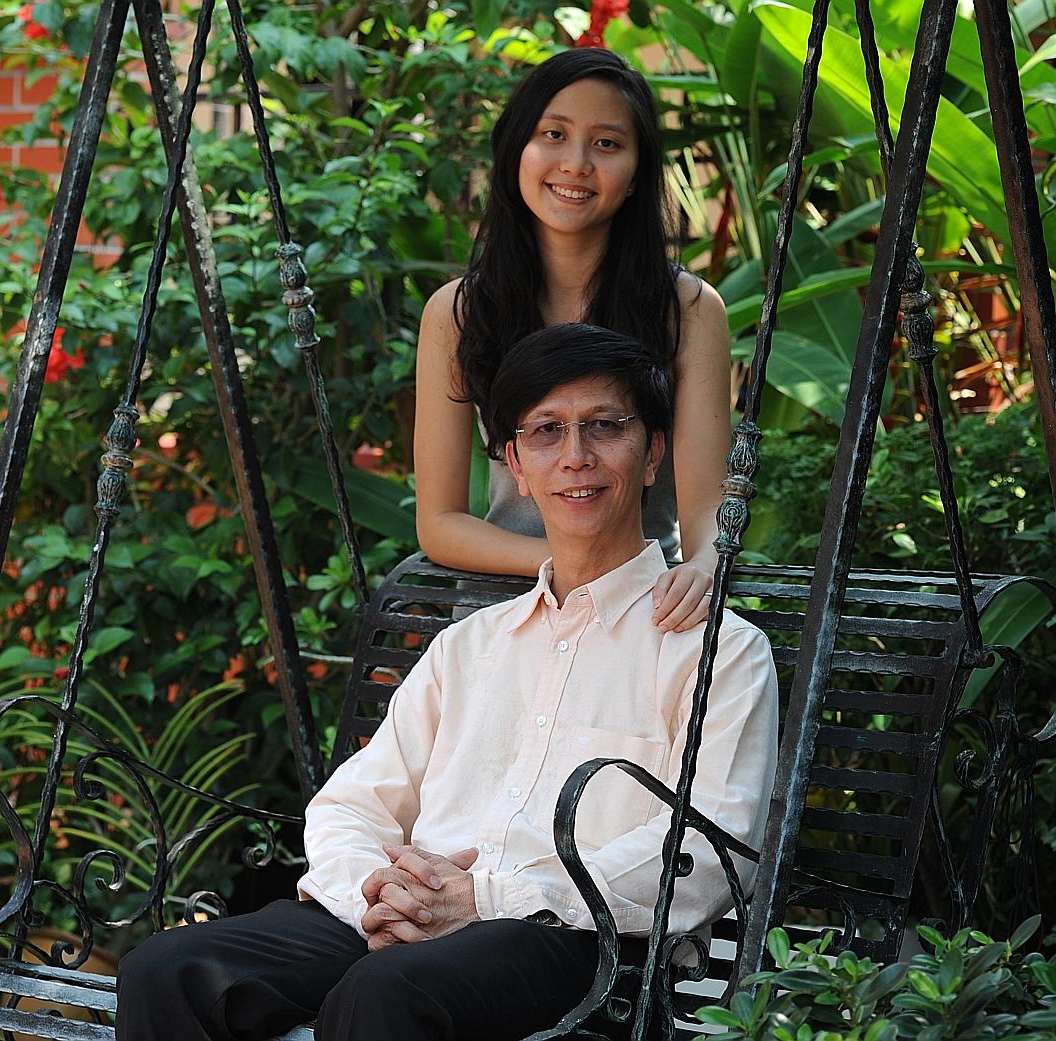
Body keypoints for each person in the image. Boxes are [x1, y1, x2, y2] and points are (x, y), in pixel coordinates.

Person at [115, 325, 777, 1041]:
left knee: (387, 994)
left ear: (652, 454)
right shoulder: (469, 647)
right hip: (413, 921)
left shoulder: (718, 652)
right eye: (547, 431)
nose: (576, 457)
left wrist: (491, 895)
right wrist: (378, 893)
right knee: (168, 966)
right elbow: (354, 800)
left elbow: (708, 849)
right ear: (518, 465)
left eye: (605, 427)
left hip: (583, 938)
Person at [414, 48, 733, 635]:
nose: (577, 163)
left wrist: (709, 559)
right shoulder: (458, 314)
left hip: (638, 606)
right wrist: (565, 564)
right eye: (553, 134)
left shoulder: (686, 310)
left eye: (607, 143)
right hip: (500, 609)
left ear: (638, 172)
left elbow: (706, 509)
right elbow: (439, 522)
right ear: (517, 151)